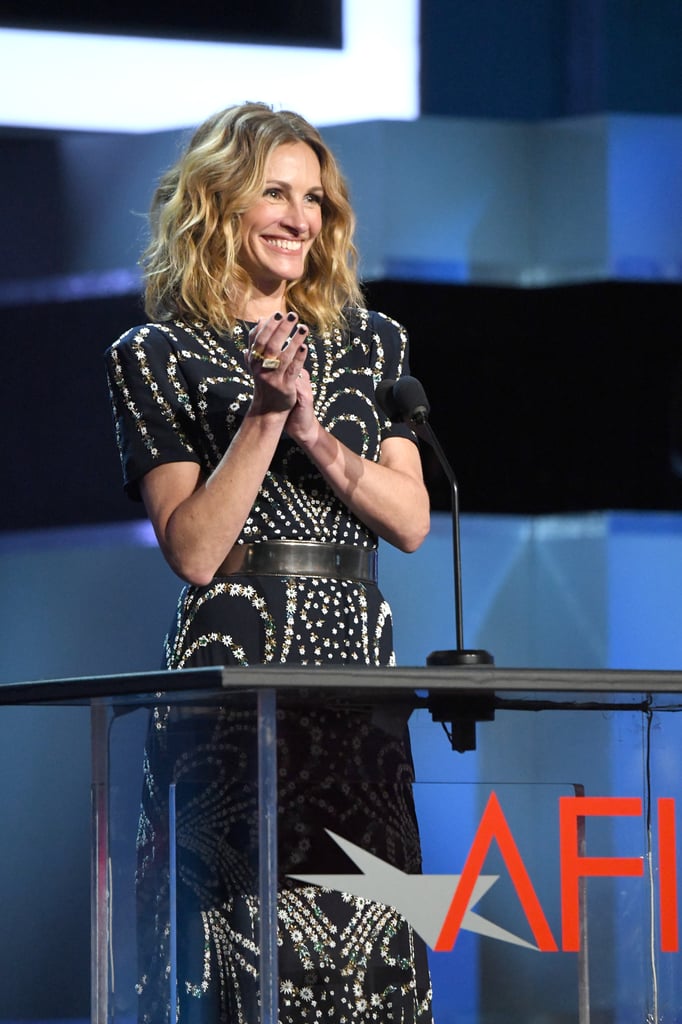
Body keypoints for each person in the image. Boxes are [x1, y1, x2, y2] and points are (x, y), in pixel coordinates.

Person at [105, 101, 432, 1024]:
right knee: (243, 941)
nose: (299, 217)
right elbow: (196, 551)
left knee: (365, 920)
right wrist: (263, 414)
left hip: (354, 664)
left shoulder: (374, 342)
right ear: (219, 206)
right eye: (275, 194)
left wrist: (318, 434)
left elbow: (409, 521)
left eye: (314, 199)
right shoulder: (155, 355)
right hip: (233, 664)